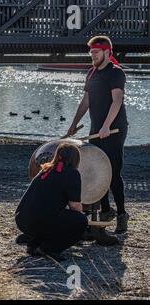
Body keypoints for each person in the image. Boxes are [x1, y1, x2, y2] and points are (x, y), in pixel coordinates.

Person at [67, 35, 129, 234]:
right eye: (91, 52)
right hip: (97, 130)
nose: (92, 55)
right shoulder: (92, 73)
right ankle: (105, 210)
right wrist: (73, 125)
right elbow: (86, 101)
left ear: (107, 52)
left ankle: (121, 214)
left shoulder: (116, 73)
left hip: (114, 129)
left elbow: (117, 101)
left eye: (95, 52)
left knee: (112, 172)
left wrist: (106, 126)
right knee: (95, 170)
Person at [15, 143, 88, 261]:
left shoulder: (46, 169)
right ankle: (48, 248)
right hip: (38, 221)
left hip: (22, 219)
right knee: (80, 221)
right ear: (76, 159)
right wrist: (81, 216)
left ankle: (34, 245)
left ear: (57, 156)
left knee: (50, 214)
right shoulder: (71, 173)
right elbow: (74, 206)